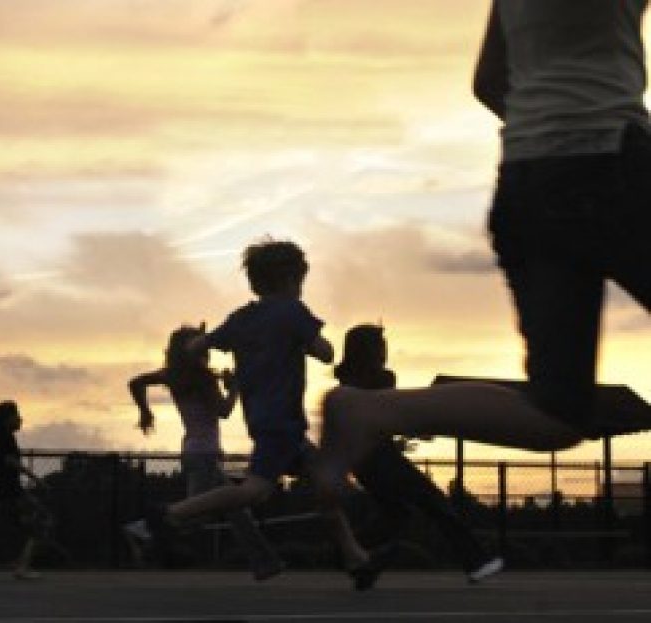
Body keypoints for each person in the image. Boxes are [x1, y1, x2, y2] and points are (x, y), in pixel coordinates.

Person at [319, 0, 651, 489]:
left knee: (556, 412)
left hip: (525, 180)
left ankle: (368, 408)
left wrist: (548, 129)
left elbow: (490, 79)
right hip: (614, 163)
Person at [128, 239, 392, 591]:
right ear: (290, 279)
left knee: (326, 489)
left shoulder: (241, 319)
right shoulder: (292, 312)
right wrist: (300, 340)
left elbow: (194, 348)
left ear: (255, 281)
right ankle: (166, 517)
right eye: (300, 281)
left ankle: (356, 558)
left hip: (268, 422)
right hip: (282, 424)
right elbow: (326, 353)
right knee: (255, 490)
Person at [335, 324, 503, 583]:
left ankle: (355, 554)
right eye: (380, 347)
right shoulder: (383, 378)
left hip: (362, 462)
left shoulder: (343, 383)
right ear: (369, 351)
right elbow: (391, 414)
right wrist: (419, 424)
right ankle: (476, 561)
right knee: (435, 502)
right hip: (381, 458)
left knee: (397, 515)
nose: (385, 352)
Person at [123, 324, 283, 581]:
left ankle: (264, 562)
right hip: (205, 454)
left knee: (218, 508)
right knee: (220, 508)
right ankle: (143, 527)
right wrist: (235, 386)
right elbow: (224, 410)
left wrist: (144, 410)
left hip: (193, 452)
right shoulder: (203, 379)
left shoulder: (172, 375)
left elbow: (136, 382)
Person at [0, 400, 54, 580]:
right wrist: (37, 480)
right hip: (13, 493)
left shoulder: (1, 440)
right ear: (6, 420)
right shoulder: (6, 438)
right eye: (16, 415)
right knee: (42, 521)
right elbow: (11, 462)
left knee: (28, 526)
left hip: (5, 493)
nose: (20, 419)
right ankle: (22, 565)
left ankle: (19, 560)